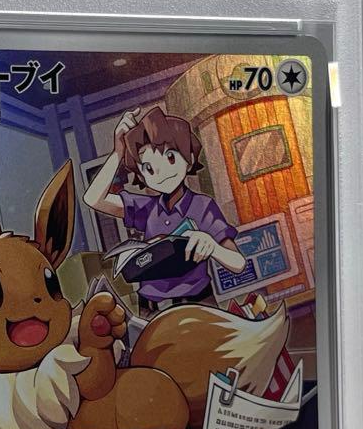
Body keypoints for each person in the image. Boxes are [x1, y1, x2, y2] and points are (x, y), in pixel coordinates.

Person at [84, 106, 247, 313]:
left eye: (170, 157)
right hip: (151, 310)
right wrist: (118, 152)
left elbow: (238, 263)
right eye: (149, 168)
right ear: (141, 175)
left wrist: (213, 247)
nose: (161, 172)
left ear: (189, 159)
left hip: (197, 305)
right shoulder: (146, 208)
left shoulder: (202, 206)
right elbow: (92, 198)